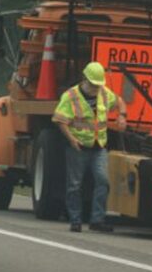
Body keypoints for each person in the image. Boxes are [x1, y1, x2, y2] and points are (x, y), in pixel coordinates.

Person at [53, 61, 126, 232]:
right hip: (78, 147)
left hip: (98, 146)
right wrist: (71, 139)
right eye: (93, 85)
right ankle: (76, 220)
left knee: (103, 181)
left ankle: (97, 220)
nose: (96, 88)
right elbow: (60, 120)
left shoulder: (104, 94)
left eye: (98, 85)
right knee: (74, 185)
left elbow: (120, 101)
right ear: (85, 79)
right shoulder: (71, 96)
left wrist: (122, 116)